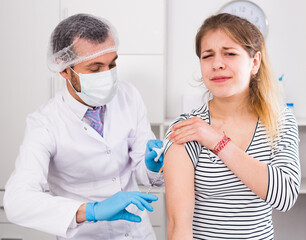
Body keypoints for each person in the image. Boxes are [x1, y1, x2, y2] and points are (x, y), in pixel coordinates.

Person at [3, 13, 164, 240]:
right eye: (95, 68)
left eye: (112, 64)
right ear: (64, 69)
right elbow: (17, 202)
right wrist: (91, 211)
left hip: (137, 232)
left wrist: (152, 167)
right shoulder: (44, 123)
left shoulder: (129, 96)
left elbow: (150, 178)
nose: (107, 75)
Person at [163, 13, 300, 240]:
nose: (217, 64)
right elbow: (179, 227)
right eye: (208, 56)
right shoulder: (187, 128)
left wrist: (217, 142)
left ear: (254, 62)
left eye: (230, 53)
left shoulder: (280, 121)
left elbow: (284, 196)